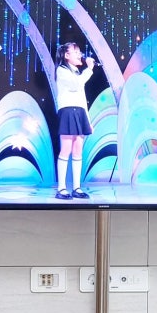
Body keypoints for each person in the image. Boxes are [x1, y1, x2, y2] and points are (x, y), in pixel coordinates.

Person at [54, 42, 95, 200]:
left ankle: (77, 187)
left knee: (78, 149)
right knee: (66, 149)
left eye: (79, 52)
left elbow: (82, 98)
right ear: (66, 55)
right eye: (76, 52)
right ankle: (61, 188)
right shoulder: (62, 70)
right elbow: (75, 85)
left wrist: (88, 120)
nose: (80, 55)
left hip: (80, 111)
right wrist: (89, 69)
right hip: (67, 111)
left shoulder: (77, 72)